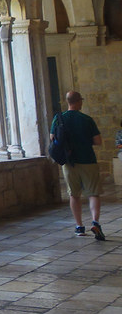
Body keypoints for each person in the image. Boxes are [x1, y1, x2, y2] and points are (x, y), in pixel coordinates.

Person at [51, 90, 105, 240]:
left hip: (69, 162)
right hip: (88, 160)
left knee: (74, 194)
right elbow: (98, 141)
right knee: (93, 193)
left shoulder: (58, 118)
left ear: (68, 102)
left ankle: (79, 226)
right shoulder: (86, 119)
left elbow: (52, 138)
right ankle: (95, 222)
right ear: (79, 101)